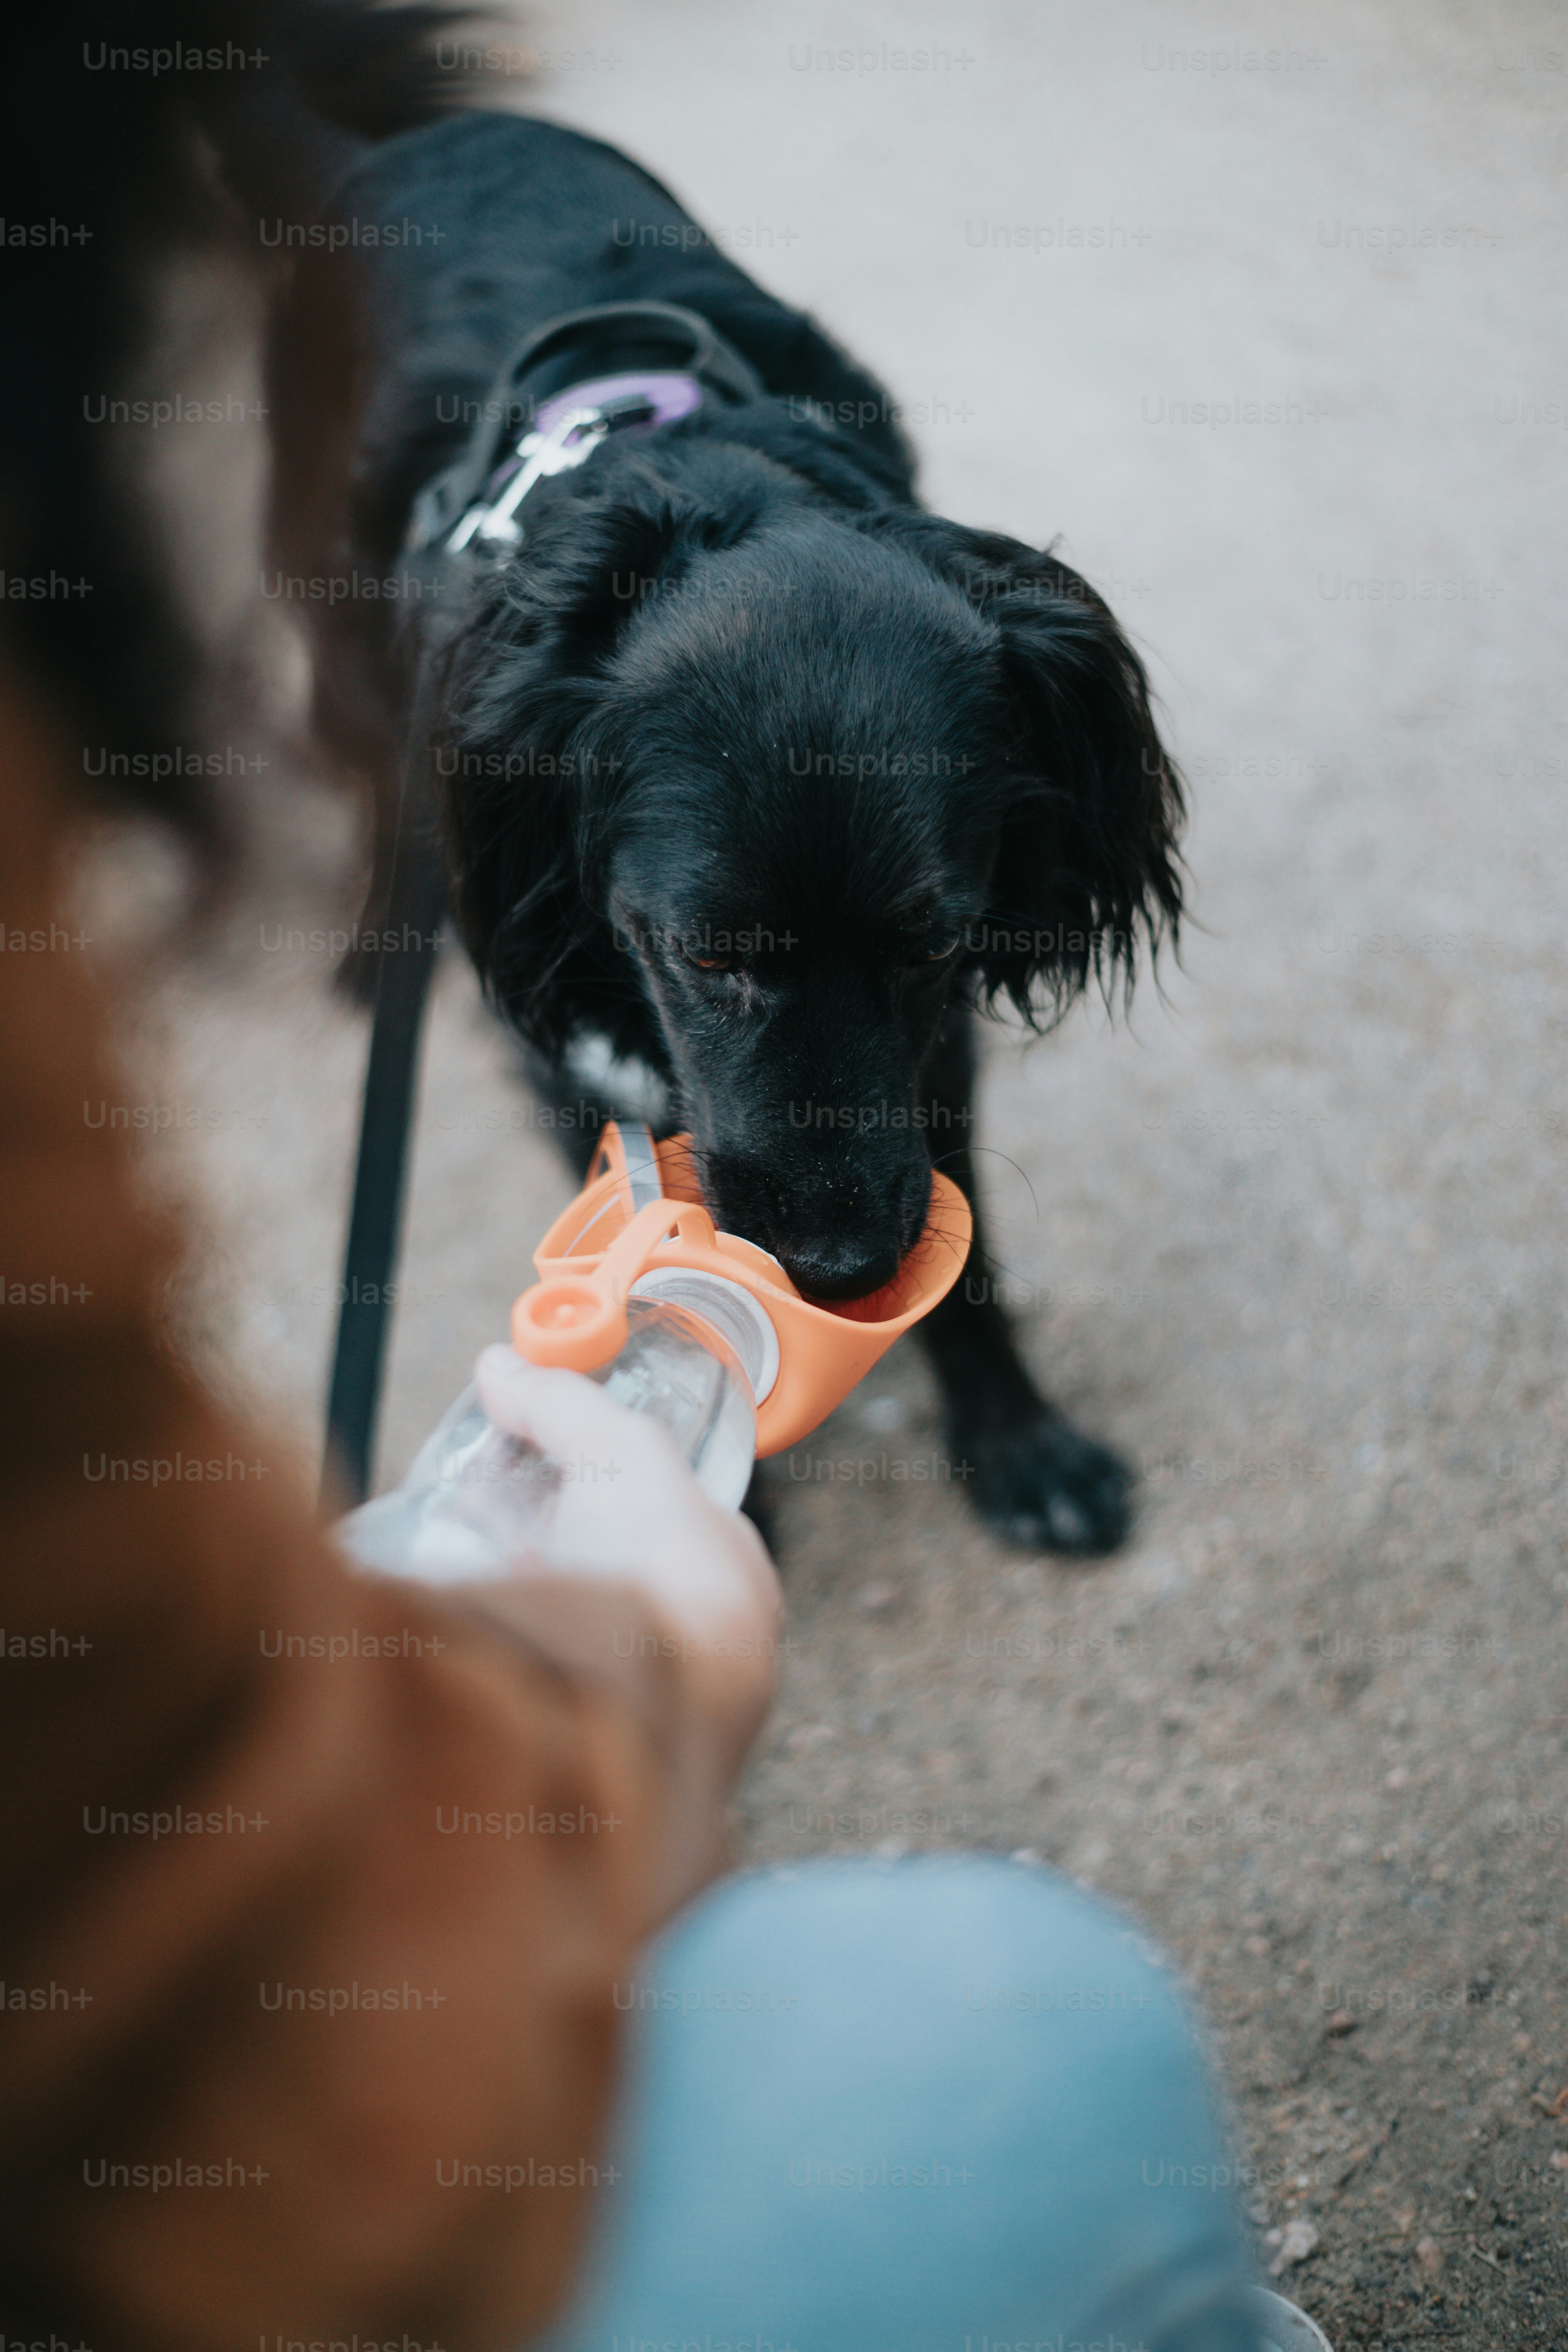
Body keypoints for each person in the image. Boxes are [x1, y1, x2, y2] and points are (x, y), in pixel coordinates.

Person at [0, 8, 1303, 2347]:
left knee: (847, 1022)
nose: (832, 1174)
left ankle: (982, 1366)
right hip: (470, 517)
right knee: (608, 1036)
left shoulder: (961, 678)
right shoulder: (495, 712)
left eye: (937, 943)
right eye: (703, 940)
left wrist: (844, 997)